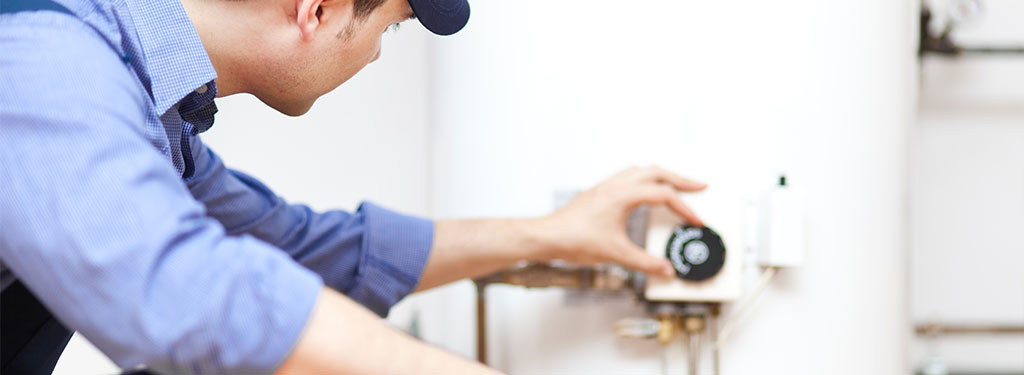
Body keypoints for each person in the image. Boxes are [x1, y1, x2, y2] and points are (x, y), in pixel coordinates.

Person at [0, 0, 708, 373]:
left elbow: (302, 250)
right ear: (318, 9)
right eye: (392, 30)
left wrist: (550, 234)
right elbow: (184, 287)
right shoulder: (45, 55)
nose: (373, 56)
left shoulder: (154, 111)